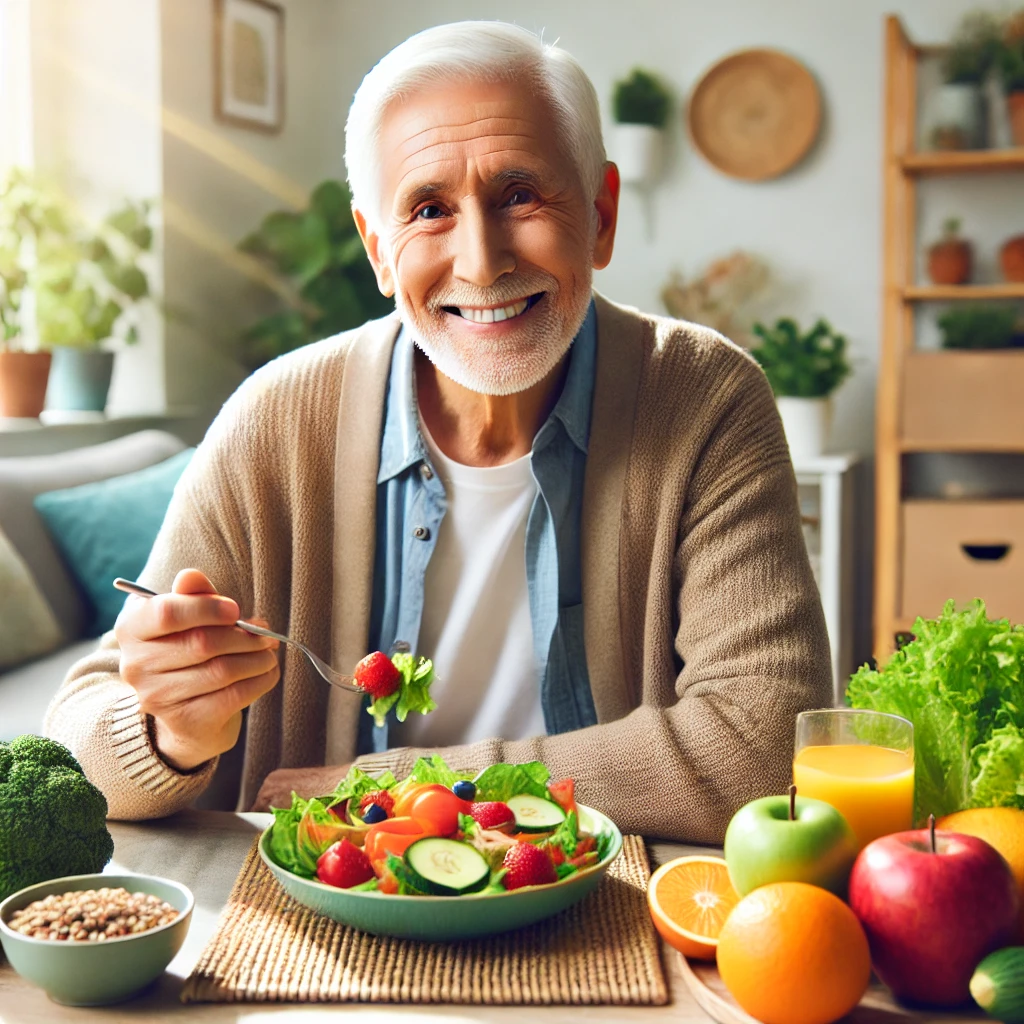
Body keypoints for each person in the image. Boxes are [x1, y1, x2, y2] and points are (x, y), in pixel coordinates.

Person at [44, 21, 831, 843]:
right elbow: (78, 739)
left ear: (600, 214)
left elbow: (761, 741)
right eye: (428, 210)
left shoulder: (705, 397)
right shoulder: (276, 416)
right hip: (321, 921)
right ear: (378, 249)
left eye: (520, 195)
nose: (482, 262)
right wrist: (171, 734)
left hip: (595, 910)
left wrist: (392, 790)